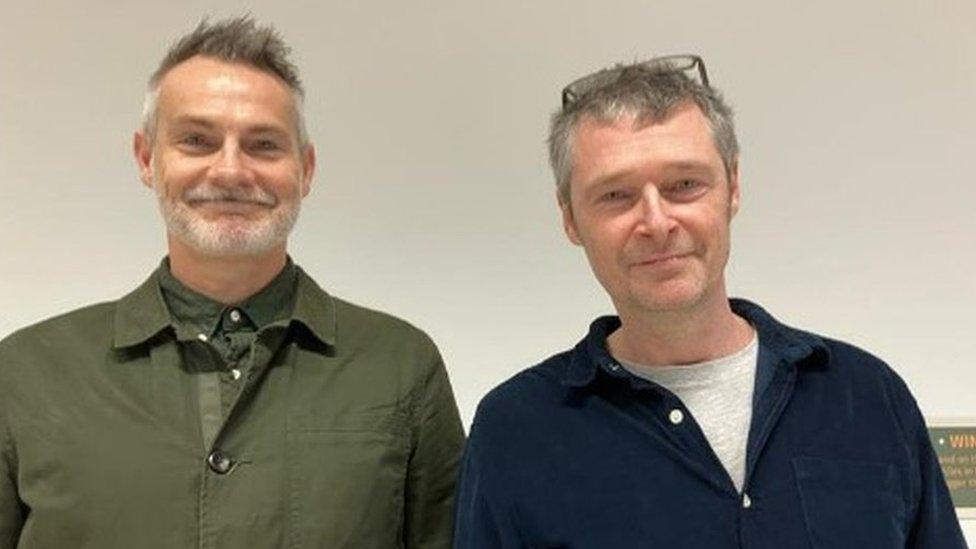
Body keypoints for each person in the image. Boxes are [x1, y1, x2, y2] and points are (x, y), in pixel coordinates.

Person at [453, 55, 966, 547]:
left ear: (732, 187)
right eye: (616, 195)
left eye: (684, 185)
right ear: (569, 218)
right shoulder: (516, 431)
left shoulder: (867, 397)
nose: (656, 223)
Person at [0, 16, 464, 549]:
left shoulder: (401, 366)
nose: (230, 170)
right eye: (196, 140)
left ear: (305, 169)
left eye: (264, 145)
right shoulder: (24, 375)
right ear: (147, 158)